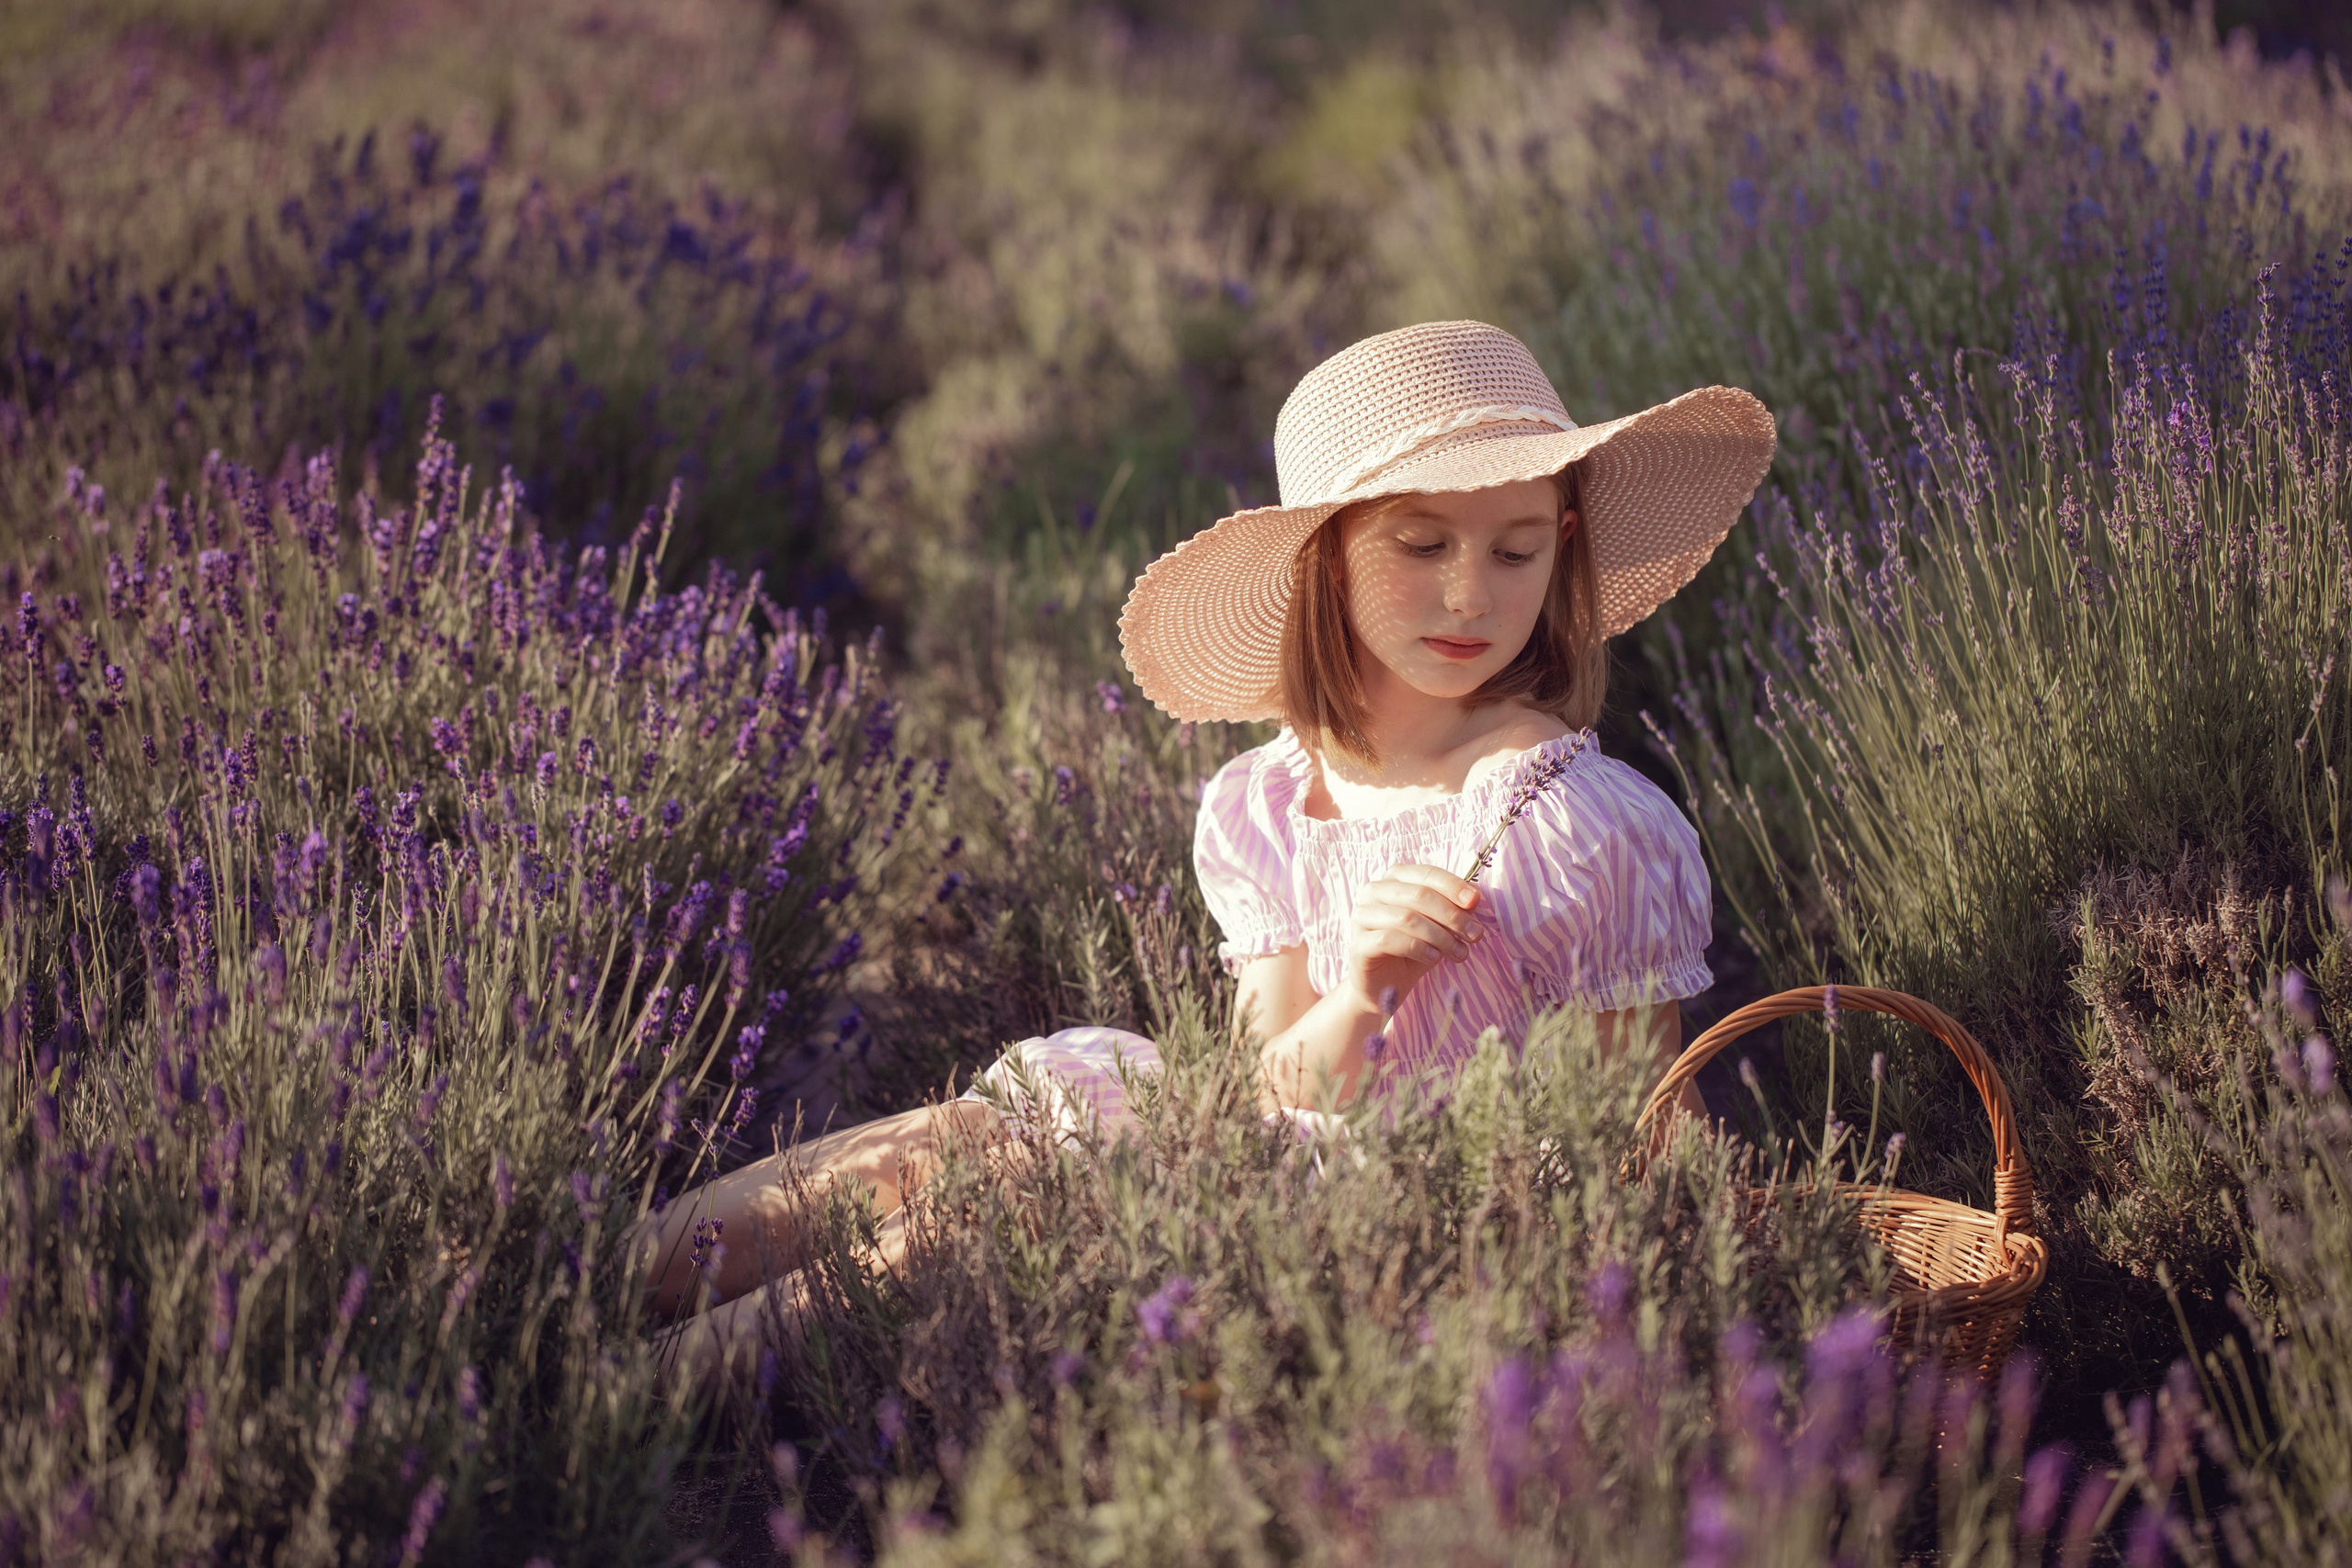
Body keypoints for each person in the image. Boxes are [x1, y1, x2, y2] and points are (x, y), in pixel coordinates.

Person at [633, 320, 1776, 1374]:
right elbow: (1269, 1081)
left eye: (1518, 551)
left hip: (1439, 1237)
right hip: (1275, 1162)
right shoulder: (1271, 798)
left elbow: (1638, 1135)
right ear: (1324, 558)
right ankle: (582, 1277)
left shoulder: (1584, 823)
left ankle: (655, 1393)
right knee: (985, 1131)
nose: (1470, 592)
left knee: (1046, 1186)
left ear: (1563, 544)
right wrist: (1358, 998)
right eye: (1420, 545)